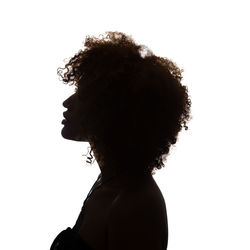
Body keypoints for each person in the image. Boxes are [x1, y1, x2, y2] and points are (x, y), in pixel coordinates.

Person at [50, 31, 192, 250]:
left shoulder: (135, 205)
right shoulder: (109, 181)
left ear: (112, 112)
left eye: (83, 94)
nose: (67, 103)